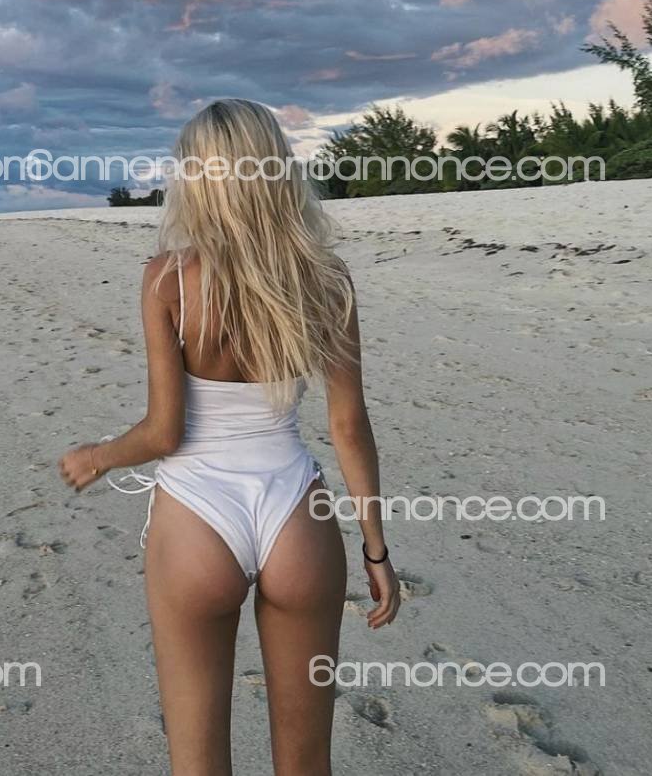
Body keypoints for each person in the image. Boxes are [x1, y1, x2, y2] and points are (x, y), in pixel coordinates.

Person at [59, 98, 399, 776]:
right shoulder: (326, 278)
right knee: (307, 764)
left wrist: (99, 457)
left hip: (196, 515)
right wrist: (376, 550)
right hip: (295, 512)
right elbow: (348, 426)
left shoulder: (167, 279)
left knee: (198, 763)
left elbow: (164, 432)